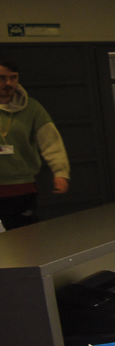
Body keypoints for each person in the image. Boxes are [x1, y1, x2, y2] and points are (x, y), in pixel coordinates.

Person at [0, 59, 69, 231]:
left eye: (13, 77)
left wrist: (61, 172)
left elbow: (51, 142)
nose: (8, 83)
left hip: (20, 188)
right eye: (1, 78)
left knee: (25, 240)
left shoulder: (32, 108)